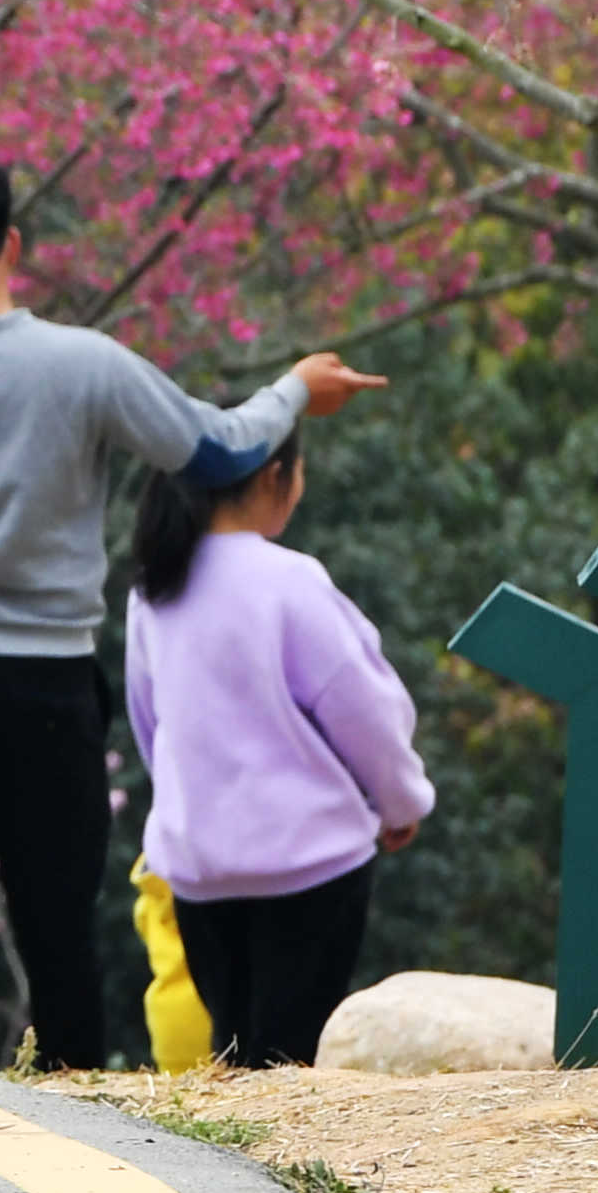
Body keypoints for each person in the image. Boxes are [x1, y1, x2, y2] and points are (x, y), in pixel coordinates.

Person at [0, 152, 381, 1078]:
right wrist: (298, 388)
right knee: (56, 911)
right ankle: (71, 1101)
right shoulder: (84, 365)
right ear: (14, 244)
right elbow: (218, 450)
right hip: (46, 677)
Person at [127, 433, 431, 1069]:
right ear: (273, 476)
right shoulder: (290, 581)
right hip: (309, 864)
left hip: (200, 870)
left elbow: (151, 725)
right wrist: (400, 801)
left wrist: (188, 810)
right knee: (293, 1061)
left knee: (232, 1053)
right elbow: (365, 709)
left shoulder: (153, 588)